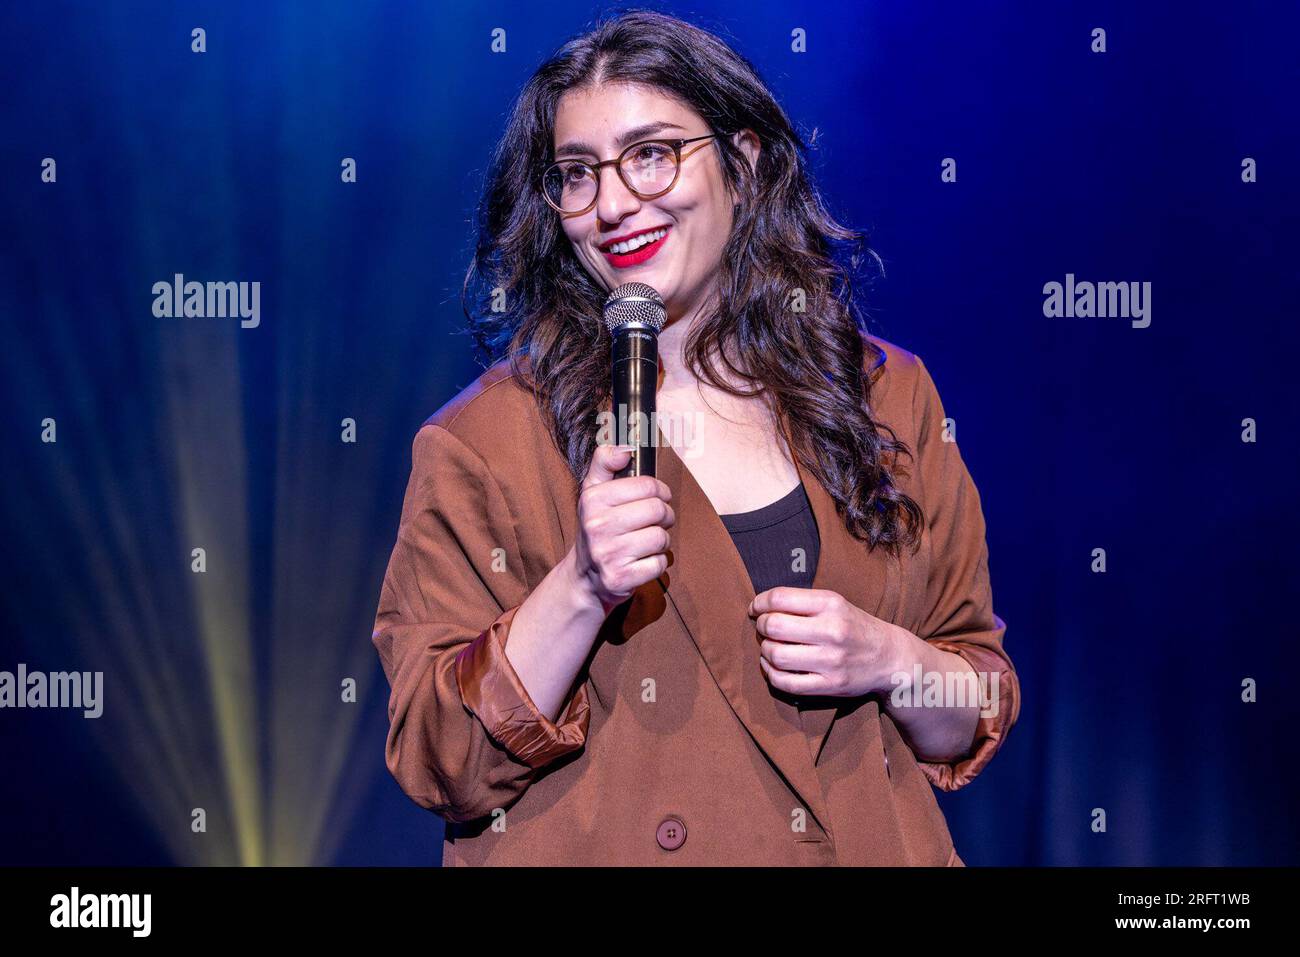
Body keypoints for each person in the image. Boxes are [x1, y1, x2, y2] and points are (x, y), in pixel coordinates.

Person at [371, 9, 1019, 866]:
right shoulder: (486, 440)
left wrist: (889, 657)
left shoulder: (885, 396)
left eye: (650, 154)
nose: (612, 204)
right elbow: (435, 756)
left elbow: (969, 708)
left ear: (743, 162)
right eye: (576, 173)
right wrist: (578, 587)